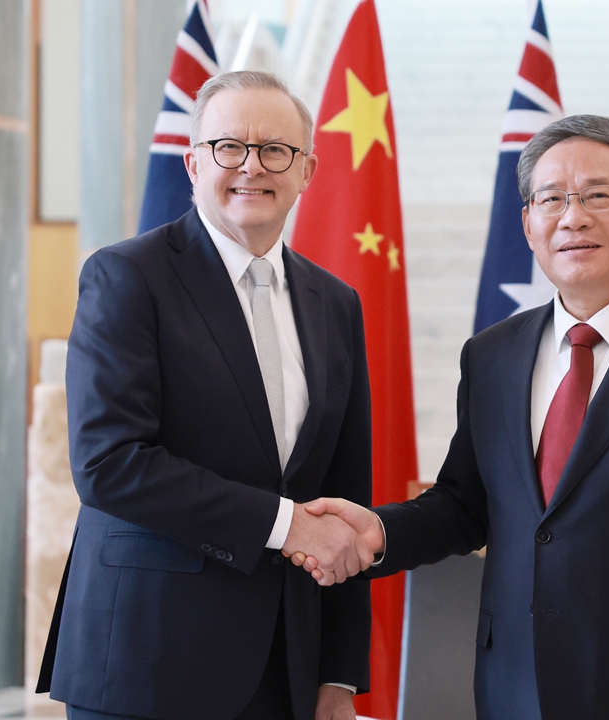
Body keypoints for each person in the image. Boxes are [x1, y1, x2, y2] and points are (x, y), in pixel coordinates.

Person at [298, 115, 609, 719]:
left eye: (598, 195)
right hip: (515, 690)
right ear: (528, 224)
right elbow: (467, 505)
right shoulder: (491, 356)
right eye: (551, 200)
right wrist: (377, 533)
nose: (573, 217)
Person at [36, 71, 374, 720]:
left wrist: (339, 672)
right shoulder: (127, 276)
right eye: (228, 147)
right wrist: (286, 524)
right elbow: (110, 464)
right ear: (193, 165)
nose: (252, 166)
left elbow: (343, 494)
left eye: (275, 150)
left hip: (287, 668)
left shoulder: (337, 303)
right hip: (148, 660)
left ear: (307, 171)